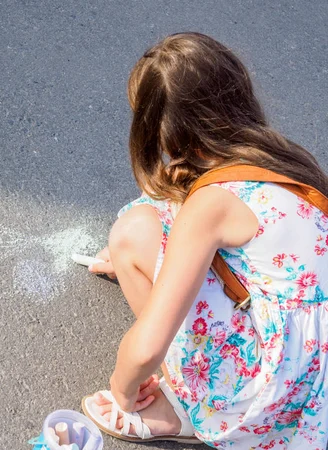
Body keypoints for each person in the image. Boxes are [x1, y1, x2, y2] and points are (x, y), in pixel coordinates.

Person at [80, 32, 328, 449]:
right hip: (316, 377)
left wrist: (124, 389)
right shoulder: (281, 158)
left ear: (159, 129)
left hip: (274, 395)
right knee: (158, 210)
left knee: (131, 233)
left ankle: (194, 408)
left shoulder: (211, 206)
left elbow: (145, 350)